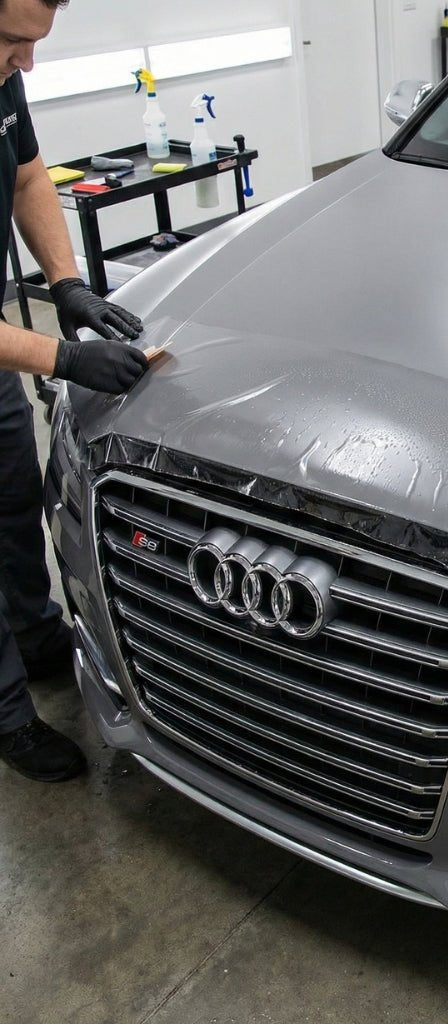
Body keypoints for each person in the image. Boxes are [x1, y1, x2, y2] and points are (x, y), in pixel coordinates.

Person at [0, 0, 149, 781]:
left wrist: (67, 284)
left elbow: (26, 172)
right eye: (12, 43)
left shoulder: (2, 78)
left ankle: (35, 633)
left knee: (14, 498)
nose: (26, 64)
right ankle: (8, 716)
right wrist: (61, 359)